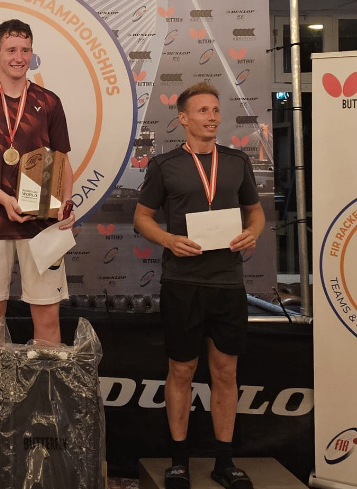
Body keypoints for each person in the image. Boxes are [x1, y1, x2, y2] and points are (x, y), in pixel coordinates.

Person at [133, 82, 264, 489]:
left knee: (225, 372)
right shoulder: (164, 165)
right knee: (181, 370)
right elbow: (142, 218)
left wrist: (253, 233)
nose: (212, 117)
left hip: (227, 283)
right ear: (183, 119)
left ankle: (225, 462)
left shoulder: (237, 161)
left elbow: (256, 213)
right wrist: (169, 240)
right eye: (203, 111)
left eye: (215, 110)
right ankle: (178, 461)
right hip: (182, 282)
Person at [0, 19, 75, 451]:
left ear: (31, 53)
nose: (18, 57)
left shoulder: (48, 101)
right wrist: (4, 198)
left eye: (24, 49)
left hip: (42, 226)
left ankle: (48, 406)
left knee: (47, 315)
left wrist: (65, 203)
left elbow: (62, 160)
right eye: (10, 49)